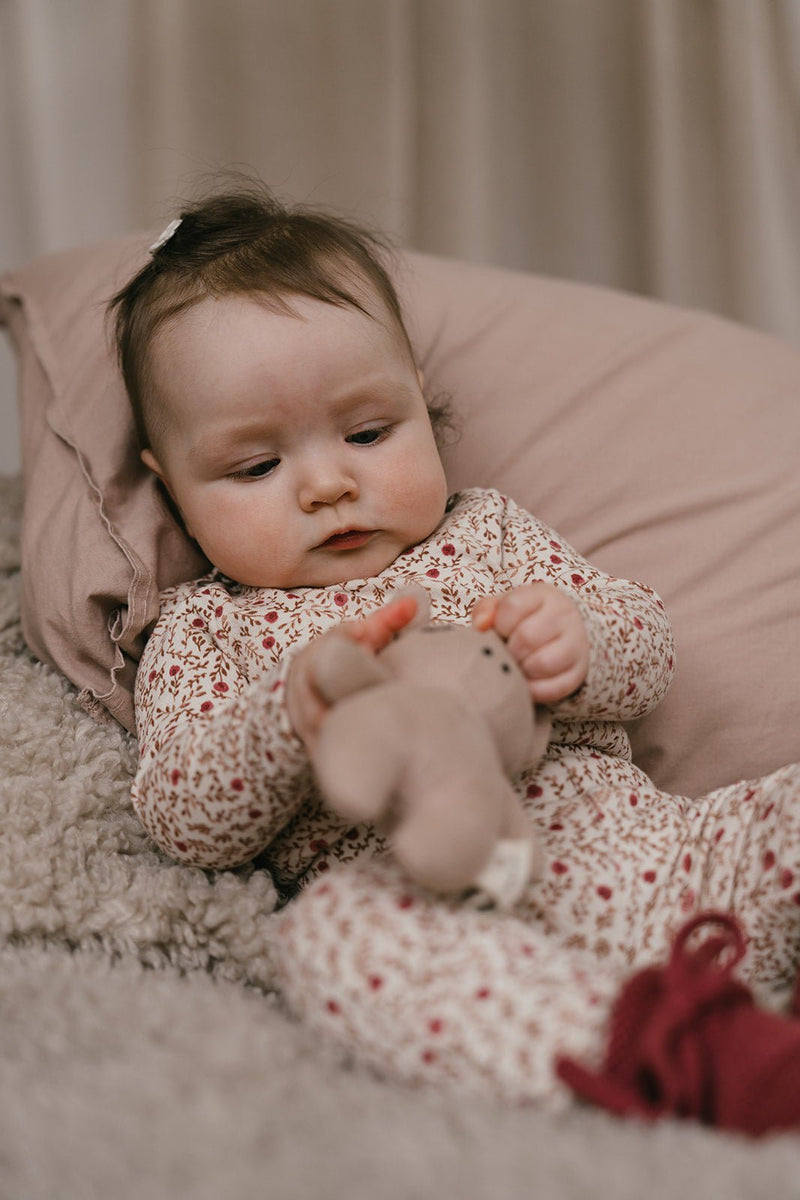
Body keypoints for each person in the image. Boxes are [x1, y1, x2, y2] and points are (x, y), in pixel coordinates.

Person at [111, 184, 800, 1106]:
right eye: (256, 466)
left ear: (422, 407)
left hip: (672, 865)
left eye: (367, 432)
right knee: (332, 944)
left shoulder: (490, 535)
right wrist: (286, 719)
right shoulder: (210, 627)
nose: (326, 485)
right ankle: (669, 1063)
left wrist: (584, 641)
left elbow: (650, 651)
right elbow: (180, 815)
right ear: (173, 487)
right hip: (453, 921)